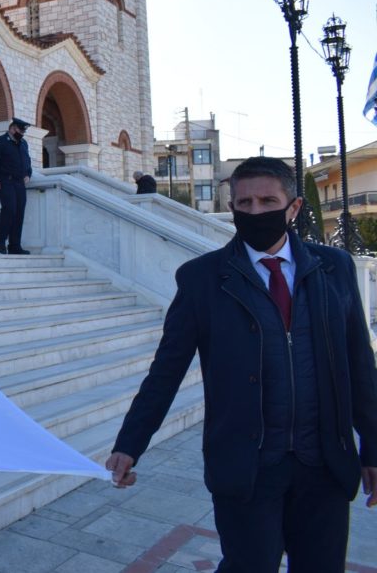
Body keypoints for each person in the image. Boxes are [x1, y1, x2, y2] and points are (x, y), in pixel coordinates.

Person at [106, 156, 377, 573]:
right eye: (244, 203)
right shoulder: (202, 279)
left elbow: (360, 365)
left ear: (294, 208)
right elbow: (166, 370)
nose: (255, 212)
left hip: (322, 464)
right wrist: (130, 443)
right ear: (232, 207)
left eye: (268, 200)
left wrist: (373, 446)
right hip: (247, 469)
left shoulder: (334, 269)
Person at [0, 118, 32, 255]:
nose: (22, 133)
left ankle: (15, 246)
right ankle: (0, 241)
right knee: (10, 209)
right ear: (12, 128)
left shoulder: (23, 143)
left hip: (20, 183)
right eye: (20, 130)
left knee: (19, 213)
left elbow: (27, 161)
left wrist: (28, 174)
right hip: (5, 181)